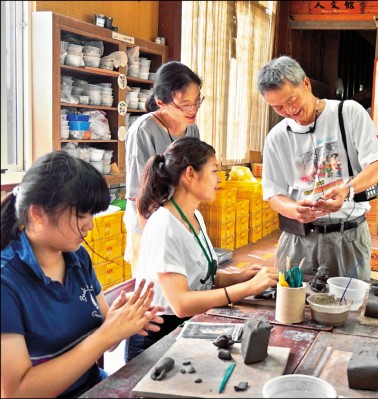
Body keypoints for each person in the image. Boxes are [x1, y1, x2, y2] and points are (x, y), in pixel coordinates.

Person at [1, 151, 163, 398]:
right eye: (81, 215)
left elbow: (106, 343)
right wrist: (107, 333)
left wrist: (122, 324)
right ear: (37, 213)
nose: (90, 225)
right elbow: (17, 392)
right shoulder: (7, 281)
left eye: (92, 214)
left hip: (94, 388)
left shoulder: (76, 257)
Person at [126, 137, 278, 362]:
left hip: (188, 325)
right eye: (214, 170)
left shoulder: (194, 215)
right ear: (190, 174)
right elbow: (181, 303)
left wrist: (237, 277)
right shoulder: (164, 225)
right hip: (156, 338)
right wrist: (247, 288)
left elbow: (200, 277)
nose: (219, 178)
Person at [256, 56, 378, 290]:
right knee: (291, 306)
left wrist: (347, 190)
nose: (289, 110)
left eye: (292, 99)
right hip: (298, 240)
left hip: (347, 236)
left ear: (306, 84)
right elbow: (273, 194)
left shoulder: (347, 113)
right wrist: (294, 210)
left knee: (350, 307)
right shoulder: (277, 137)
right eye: (278, 107)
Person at [124, 61, 203, 278]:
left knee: (183, 283)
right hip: (148, 224)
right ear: (161, 102)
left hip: (179, 220)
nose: (193, 110)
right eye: (185, 104)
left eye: (197, 102)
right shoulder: (142, 131)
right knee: (151, 288)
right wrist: (154, 240)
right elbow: (138, 196)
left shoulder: (192, 128)